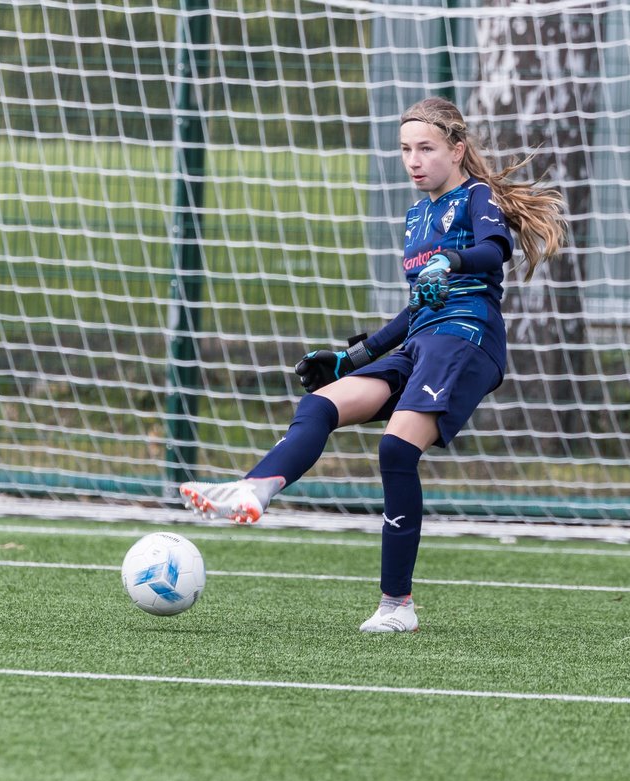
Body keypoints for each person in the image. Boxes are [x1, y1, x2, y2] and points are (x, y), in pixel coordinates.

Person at [180, 97, 567, 632]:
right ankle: (256, 488)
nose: (414, 160)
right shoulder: (416, 216)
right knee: (320, 404)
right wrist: (352, 357)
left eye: (426, 148)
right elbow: (417, 309)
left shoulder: (476, 195)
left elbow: (495, 247)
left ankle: (396, 606)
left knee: (396, 450)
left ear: (457, 150)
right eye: (406, 149)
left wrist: (451, 259)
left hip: (467, 337)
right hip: (425, 338)